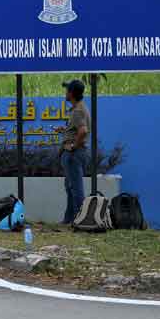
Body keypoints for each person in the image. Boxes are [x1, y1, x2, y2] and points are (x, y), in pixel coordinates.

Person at [56, 80, 91, 224]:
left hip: (73, 155)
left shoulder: (77, 111)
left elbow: (83, 131)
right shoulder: (80, 108)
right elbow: (78, 130)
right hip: (74, 154)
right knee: (70, 188)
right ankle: (69, 219)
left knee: (75, 189)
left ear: (71, 93)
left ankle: (81, 221)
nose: (65, 93)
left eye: (67, 91)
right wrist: (64, 131)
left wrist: (73, 146)